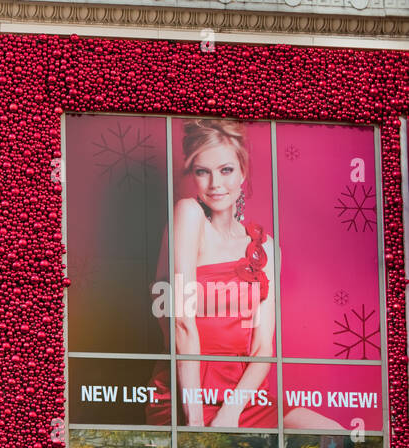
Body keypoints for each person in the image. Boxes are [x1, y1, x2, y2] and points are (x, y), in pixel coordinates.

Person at [146, 118, 340, 431]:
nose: (215, 184)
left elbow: (263, 347)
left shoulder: (266, 247)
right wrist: (196, 423)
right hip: (188, 393)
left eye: (226, 170)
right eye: (202, 171)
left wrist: (231, 412)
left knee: (336, 435)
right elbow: (181, 322)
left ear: (242, 173)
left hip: (244, 398)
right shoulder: (189, 214)